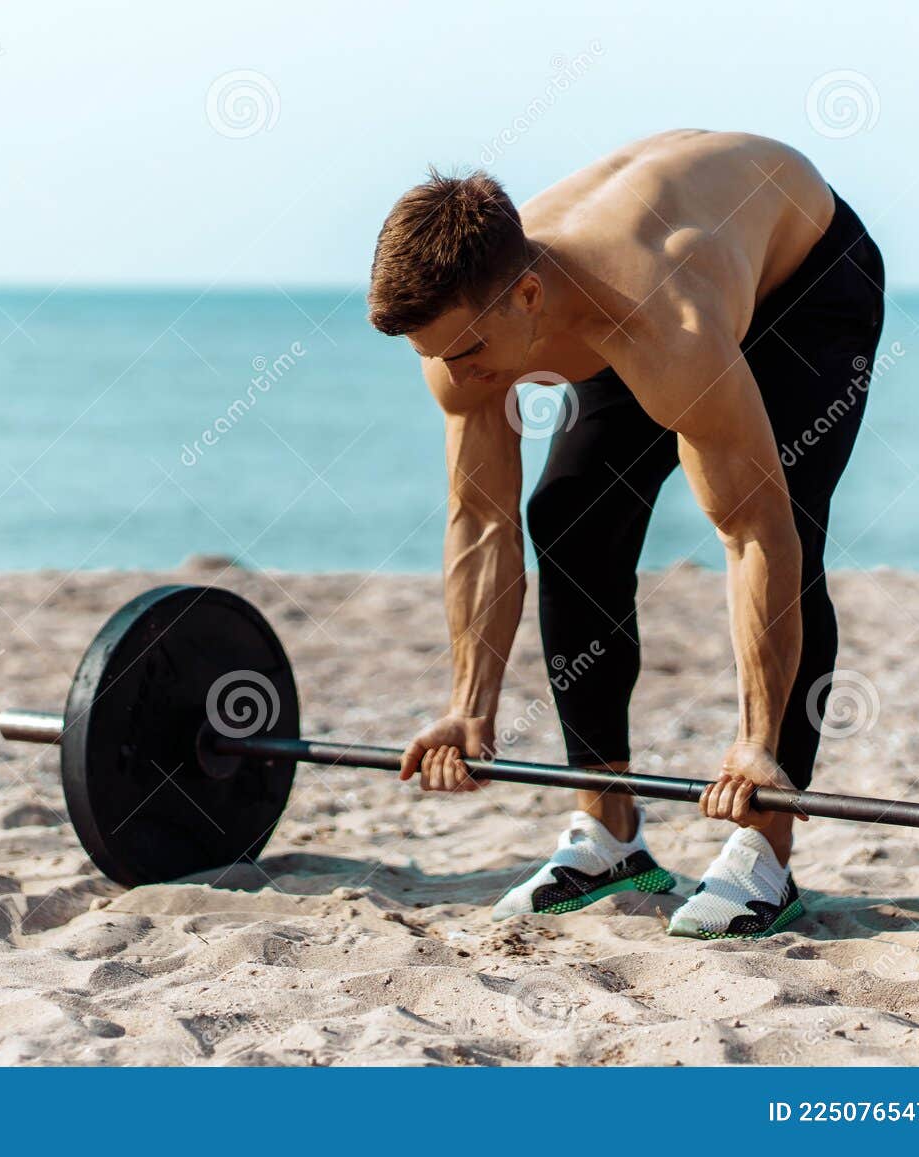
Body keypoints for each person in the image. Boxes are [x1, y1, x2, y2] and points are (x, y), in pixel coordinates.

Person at [366, 130, 884, 938]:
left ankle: (767, 847)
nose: (455, 375)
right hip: (628, 294)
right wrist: (471, 708)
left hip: (805, 280)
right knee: (568, 513)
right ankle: (610, 836)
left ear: (527, 298)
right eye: (436, 355)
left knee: (786, 510)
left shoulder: (661, 317)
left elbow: (754, 534)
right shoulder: (464, 332)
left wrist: (754, 742)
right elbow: (481, 520)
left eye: (466, 352)